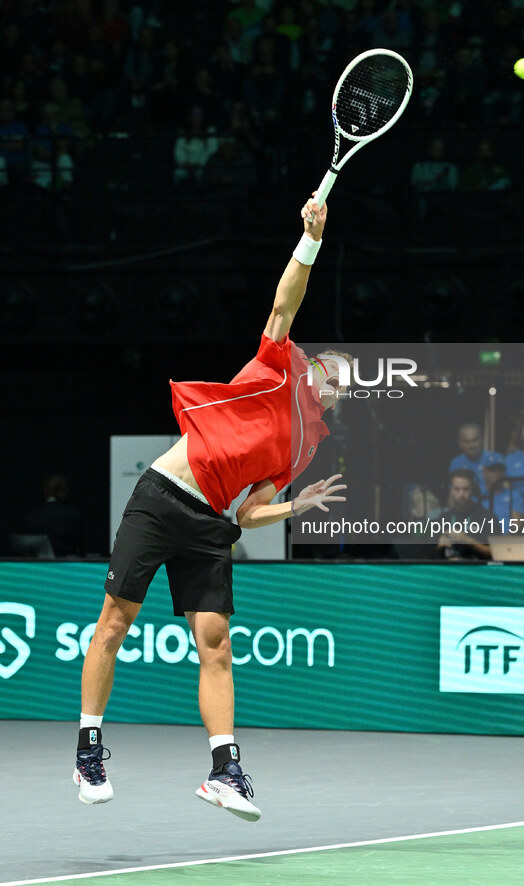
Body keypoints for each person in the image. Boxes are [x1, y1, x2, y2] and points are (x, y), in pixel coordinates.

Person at [73, 192, 348, 823]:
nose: (331, 376)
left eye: (342, 379)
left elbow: (249, 515)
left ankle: (224, 771)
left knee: (216, 642)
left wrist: (295, 507)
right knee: (114, 621)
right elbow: (286, 300)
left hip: (209, 523)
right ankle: (89, 749)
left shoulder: (301, 448)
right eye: (329, 366)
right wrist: (311, 239)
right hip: (162, 495)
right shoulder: (277, 364)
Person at [435, 468, 494, 561]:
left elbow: (496, 553)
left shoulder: (487, 517)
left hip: (477, 570)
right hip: (449, 570)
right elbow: (431, 554)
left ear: (473, 490)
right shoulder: (444, 518)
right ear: (451, 490)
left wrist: (467, 541)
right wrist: (439, 546)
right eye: (457, 489)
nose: (461, 494)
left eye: (466, 489)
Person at [23, 474, 84, 557]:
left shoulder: (32, 518)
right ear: (63, 491)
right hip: (68, 568)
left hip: (39, 567)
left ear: (45, 491)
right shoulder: (74, 517)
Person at [480, 452, 524, 526]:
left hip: (506, 537)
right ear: (484, 472)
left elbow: (516, 527)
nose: (497, 473)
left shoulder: (514, 496)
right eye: (493, 470)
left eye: (501, 470)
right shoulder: (478, 494)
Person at [448, 422, 493, 495]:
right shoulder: (456, 463)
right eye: (467, 442)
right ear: (461, 444)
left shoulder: (493, 459)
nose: (471, 445)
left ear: (482, 440)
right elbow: (453, 491)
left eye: (475, 440)